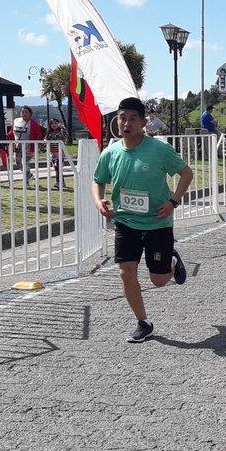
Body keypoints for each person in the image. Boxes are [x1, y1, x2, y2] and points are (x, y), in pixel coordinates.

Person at [92, 97, 193, 343]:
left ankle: (170, 260)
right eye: (121, 118)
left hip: (157, 222)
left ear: (143, 122)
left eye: (132, 119)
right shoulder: (111, 152)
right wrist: (99, 201)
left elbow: (186, 173)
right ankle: (143, 323)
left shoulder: (159, 150)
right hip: (126, 222)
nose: (126, 123)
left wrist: (173, 202)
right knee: (126, 272)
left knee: (158, 281)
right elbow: (98, 180)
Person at [7, 105, 44, 180]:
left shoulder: (33, 123)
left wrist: (33, 149)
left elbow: (38, 136)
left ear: (30, 113)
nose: (24, 113)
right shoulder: (16, 121)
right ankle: (29, 175)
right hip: (17, 147)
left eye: (26, 112)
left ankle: (26, 180)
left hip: (29, 147)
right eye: (22, 112)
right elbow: (12, 132)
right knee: (18, 164)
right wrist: (5, 136)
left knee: (25, 163)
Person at [45, 117, 67, 186]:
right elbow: (46, 141)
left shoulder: (61, 131)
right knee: (56, 168)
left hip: (60, 153)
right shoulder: (48, 133)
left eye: (55, 123)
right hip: (53, 153)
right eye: (52, 123)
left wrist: (63, 128)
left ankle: (59, 182)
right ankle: (61, 182)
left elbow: (65, 136)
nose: (54, 125)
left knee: (58, 166)